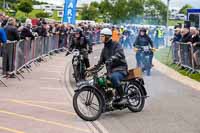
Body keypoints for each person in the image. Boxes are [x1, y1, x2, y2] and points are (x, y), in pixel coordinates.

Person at [89, 28, 128, 104]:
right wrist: (91, 70)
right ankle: (107, 99)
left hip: (120, 69)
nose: (100, 38)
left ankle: (123, 97)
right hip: (111, 71)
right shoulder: (104, 49)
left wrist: (112, 58)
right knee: (100, 82)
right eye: (100, 36)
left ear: (107, 37)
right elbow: (100, 63)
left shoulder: (116, 44)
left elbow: (120, 54)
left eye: (102, 36)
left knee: (114, 77)